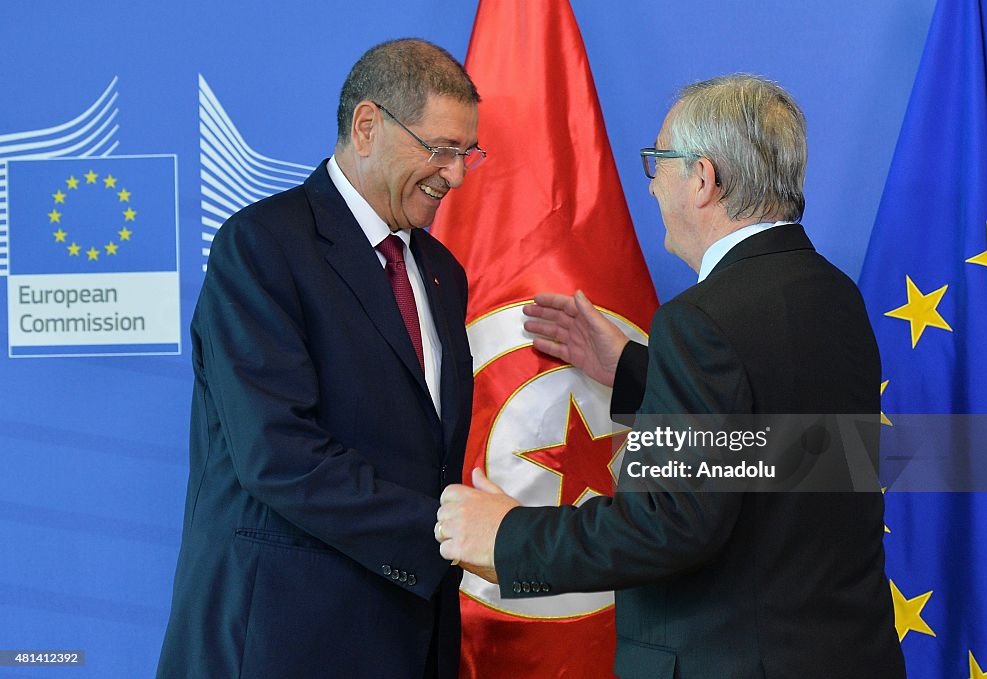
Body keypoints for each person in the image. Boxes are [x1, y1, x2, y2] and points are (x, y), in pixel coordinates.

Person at [435, 75, 906, 678]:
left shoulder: (701, 321)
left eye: (658, 162)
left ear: (703, 179)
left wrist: (507, 536)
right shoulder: (834, 295)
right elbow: (780, 448)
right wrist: (637, 371)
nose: (653, 184)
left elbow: (670, 524)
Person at [158, 39, 481, 679]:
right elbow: (278, 453)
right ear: (367, 126)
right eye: (441, 149)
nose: (457, 174)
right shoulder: (262, 247)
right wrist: (449, 536)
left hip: (413, 635)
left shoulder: (441, 270)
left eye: (467, 153)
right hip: (286, 638)